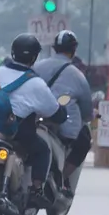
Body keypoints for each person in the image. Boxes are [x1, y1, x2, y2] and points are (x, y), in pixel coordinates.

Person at [0, 34, 67, 207]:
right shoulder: (35, 82)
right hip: (16, 132)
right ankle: (36, 191)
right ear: (34, 57)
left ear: (13, 53)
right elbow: (54, 111)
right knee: (42, 150)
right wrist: (61, 114)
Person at [33, 30, 93, 197]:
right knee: (84, 142)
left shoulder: (36, 67)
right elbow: (87, 110)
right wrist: (89, 117)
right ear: (73, 51)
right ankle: (61, 178)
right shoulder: (78, 75)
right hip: (64, 129)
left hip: (34, 120)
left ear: (54, 49)